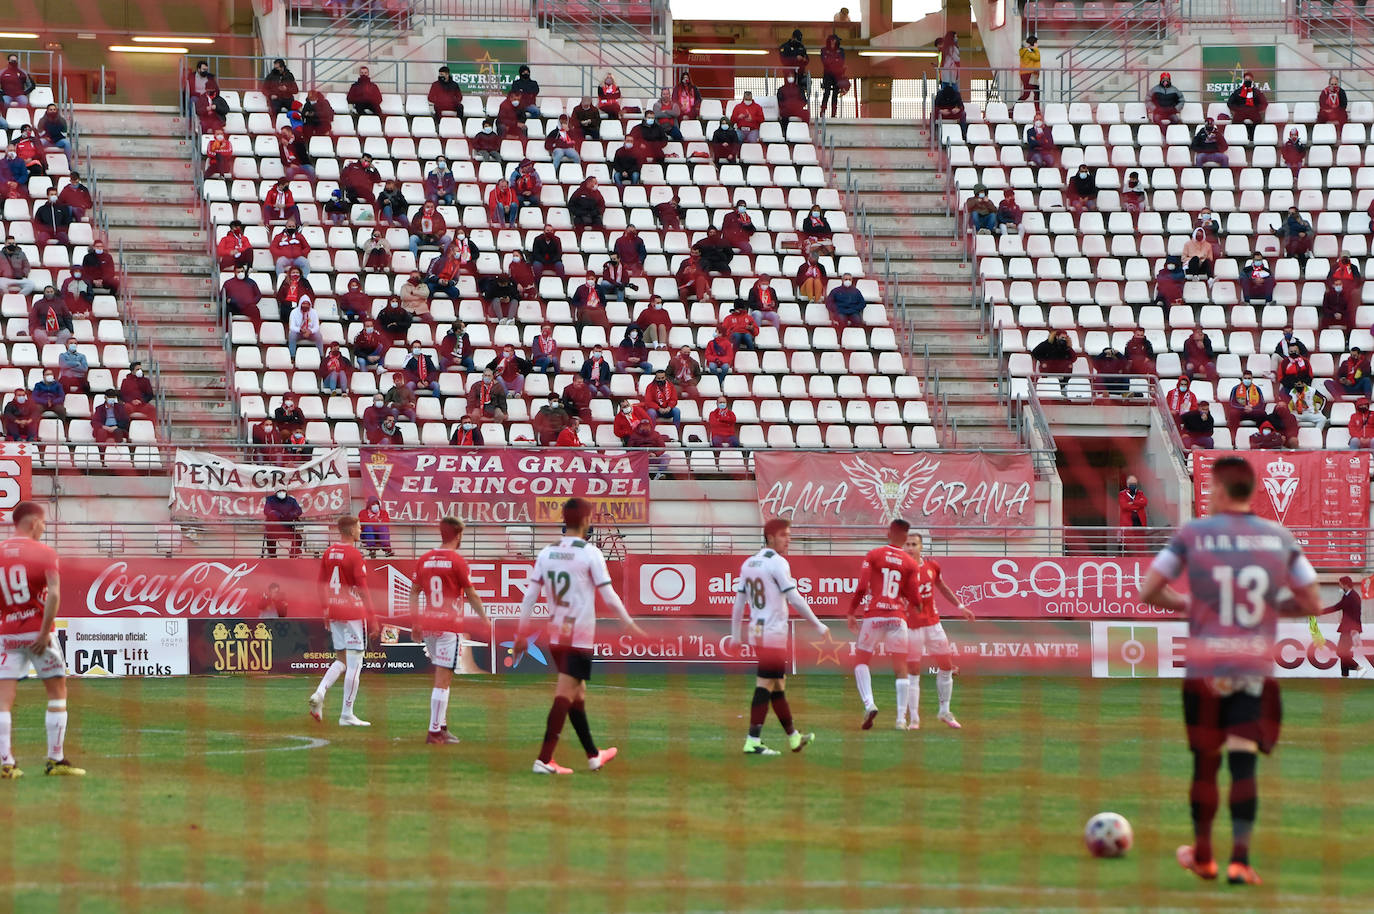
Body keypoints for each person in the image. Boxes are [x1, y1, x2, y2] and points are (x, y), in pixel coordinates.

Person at [1139, 456, 1321, 886]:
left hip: (1205, 666)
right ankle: (1240, 861)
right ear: (1252, 491)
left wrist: (1189, 604)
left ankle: (1203, 856)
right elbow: (1312, 602)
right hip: (1250, 665)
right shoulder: (1279, 537)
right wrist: (1269, 608)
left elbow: (1148, 590)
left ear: (1219, 491)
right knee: (1244, 763)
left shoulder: (1193, 534)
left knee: (1205, 764)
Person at [514, 498, 645, 774]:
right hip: (579, 636)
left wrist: (521, 632)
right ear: (586, 520)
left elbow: (529, 596)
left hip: (556, 635)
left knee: (577, 694)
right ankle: (544, 759)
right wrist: (629, 624)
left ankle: (593, 755)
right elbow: (608, 595)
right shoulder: (590, 553)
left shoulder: (547, 553)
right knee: (565, 694)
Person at [728, 518, 826, 756]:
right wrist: (818, 624)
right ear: (770, 537)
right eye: (784, 535)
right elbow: (794, 598)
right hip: (772, 634)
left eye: (790, 534)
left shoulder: (749, 563)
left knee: (777, 686)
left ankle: (793, 738)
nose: (789, 539)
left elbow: (739, 601)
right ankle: (752, 740)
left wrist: (734, 634)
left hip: (758, 632)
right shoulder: (777, 563)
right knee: (765, 684)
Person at [0, 501, 85, 778]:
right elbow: (55, 595)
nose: (44, 528)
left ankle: (6, 764)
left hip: (7, 634)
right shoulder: (44, 552)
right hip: (39, 632)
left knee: (3, 700)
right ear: (33, 522)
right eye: (43, 523)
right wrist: (43, 632)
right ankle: (55, 760)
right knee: (57, 691)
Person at [411, 516, 488, 744]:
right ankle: (434, 732)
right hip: (449, 627)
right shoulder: (456, 561)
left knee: (444, 677)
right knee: (442, 680)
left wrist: (416, 622)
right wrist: (484, 618)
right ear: (458, 535)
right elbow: (472, 593)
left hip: (429, 626)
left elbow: (414, 592)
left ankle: (441, 727)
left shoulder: (424, 559)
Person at [847, 520, 920, 730]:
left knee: (862, 660)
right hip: (897, 618)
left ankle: (869, 704)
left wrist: (851, 611)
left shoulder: (874, 554)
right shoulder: (910, 563)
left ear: (888, 533)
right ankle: (900, 720)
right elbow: (914, 598)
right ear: (905, 538)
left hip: (875, 616)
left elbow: (862, 587)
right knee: (900, 668)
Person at [309, 515, 377, 728]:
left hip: (335, 609)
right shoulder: (355, 555)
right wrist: (372, 616)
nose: (361, 530)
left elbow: (320, 584)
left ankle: (320, 693)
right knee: (355, 664)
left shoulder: (329, 552)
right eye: (358, 526)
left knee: (342, 660)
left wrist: (325, 609)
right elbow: (363, 589)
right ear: (350, 530)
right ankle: (346, 713)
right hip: (353, 612)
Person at [903, 530, 974, 731]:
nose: (910, 548)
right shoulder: (899, 571)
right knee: (913, 672)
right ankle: (914, 719)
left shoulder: (932, 566)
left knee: (946, 665)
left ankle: (944, 710)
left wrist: (961, 607)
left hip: (934, 625)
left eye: (914, 544)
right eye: (907, 544)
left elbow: (942, 587)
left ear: (921, 547)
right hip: (912, 628)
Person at [1322, 576, 1363, 678]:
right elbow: (1337, 607)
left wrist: (1354, 630)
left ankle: (1358, 668)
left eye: (1340, 583)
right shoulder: (1347, 596)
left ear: (1345, 584)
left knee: (1341, 652)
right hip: (1346, 629)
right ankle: (1345, 676)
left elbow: (1357, 614)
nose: (1339, 585)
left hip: (1350, 630)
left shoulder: (1354, 597)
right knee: (1344, 653)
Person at [1227, 71, 1268, 138]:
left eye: (1249, 80)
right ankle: (1240, 138)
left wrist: (1257, 109)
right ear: (1243, 80)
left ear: (1252, 80)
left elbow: (1264, 103)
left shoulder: (1257, 92)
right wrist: (1237, 109)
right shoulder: (1238, 91)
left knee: (1258, 121)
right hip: (1241, 111)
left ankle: (1253, 137)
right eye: (1246, 80)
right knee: (1235, 122)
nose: (1247, 81)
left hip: (1253, 111)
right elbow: (1230, 103)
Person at [1225, 371, 1266, 436]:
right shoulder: (1235, 389)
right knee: (1232, 413)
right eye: (1245, 378)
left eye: (1249, 378)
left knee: (1263, 414)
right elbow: (1232, 403)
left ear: (1252, 379)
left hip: (1253, 411)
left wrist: (1252, 408)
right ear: (1242, 379)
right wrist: (1243, 407)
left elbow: (1261, 404)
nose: (1247, 380)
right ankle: (1233, 436)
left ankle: (1261, 436)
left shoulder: (1257, 389)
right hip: (1241, 411)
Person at [820, 34, 848, 117]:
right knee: (827, 93)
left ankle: (833, 113)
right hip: (828, 75)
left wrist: (832, 62)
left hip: (837, 75)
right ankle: (823, 111)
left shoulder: (841, 50)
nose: (834, 42)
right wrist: (835, 61)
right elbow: (825, 61)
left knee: (835, 94)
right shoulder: (824, 50)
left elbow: (841, 62)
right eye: (833, 40)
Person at [1118, 476, 1148, 553]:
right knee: (1128, 543)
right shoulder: (1122, 494)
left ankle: (1140, 558)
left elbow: (1144, 502)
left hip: (1139, 522)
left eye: (1134, 483)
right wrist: (1138, 505)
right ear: (1127, 484)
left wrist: (1133, 502)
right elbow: (1124, 506)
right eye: (1131, 483)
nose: (1133, 485)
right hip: (1128, 522)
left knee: (1140, 543)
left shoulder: (1140, 493)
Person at [1017, 35, 1040, 106]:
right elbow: (1037, 58)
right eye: (1036, 42)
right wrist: (1036, 49)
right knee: (1027, 94)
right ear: (1033, 43)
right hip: (1029, 74)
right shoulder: (1029, 51)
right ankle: (1014, 109)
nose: (1037, 44)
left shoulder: (1026, 51)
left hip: (1029, 74)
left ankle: (1037, 110)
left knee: (1036, 92)